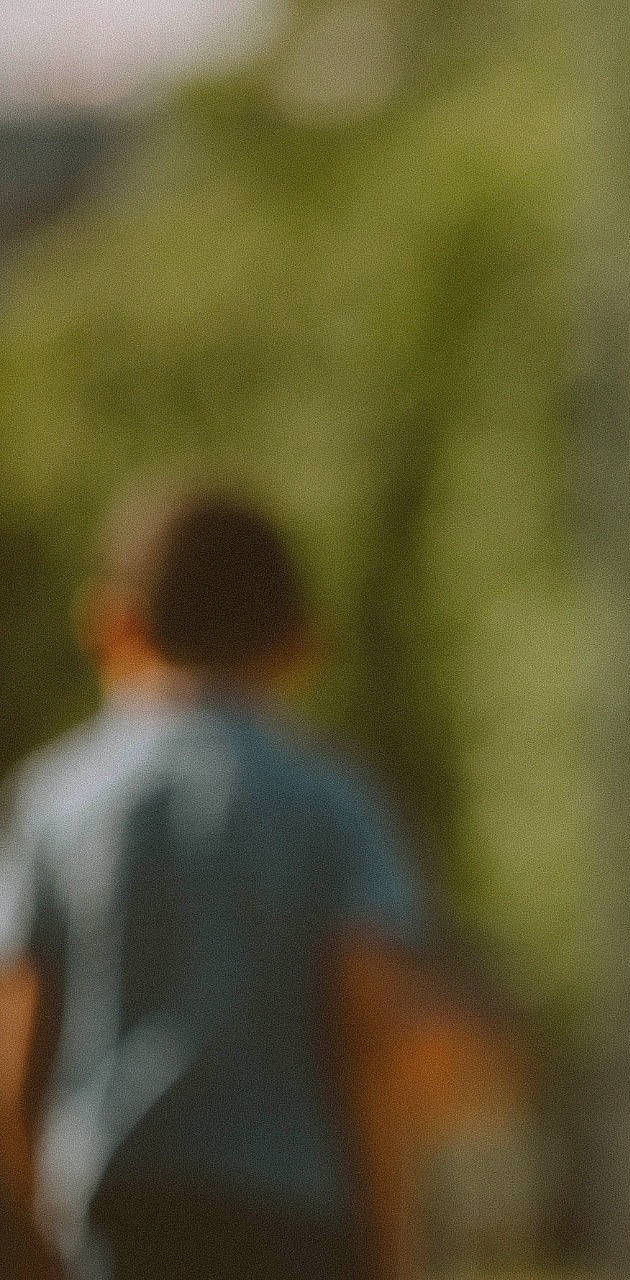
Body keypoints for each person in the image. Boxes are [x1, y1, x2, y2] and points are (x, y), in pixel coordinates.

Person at [0, 482, 483, 1279]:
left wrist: (35, 1230)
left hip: (118, 1210)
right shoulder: (333, 805)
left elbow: (18, 1037)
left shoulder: (58, 801)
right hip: (290, 1218)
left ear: (112, 626)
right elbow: (370, 1030)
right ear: (298, 646)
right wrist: (391, 1241)